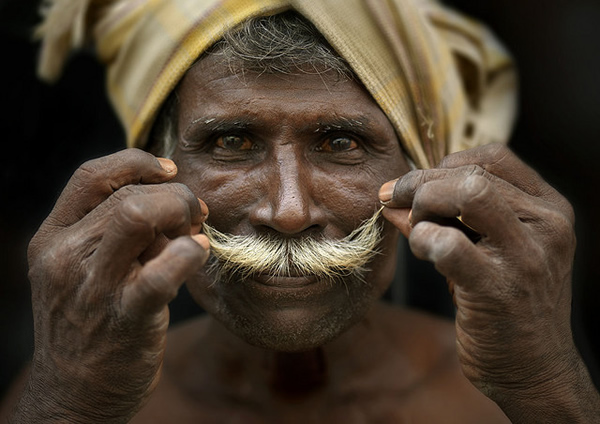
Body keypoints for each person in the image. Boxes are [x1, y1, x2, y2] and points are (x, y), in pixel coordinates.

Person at [3, 0, 600, 422]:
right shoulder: (85, 398)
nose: (289, 213)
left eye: (341, 143)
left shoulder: (508, 402)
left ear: (424, 174)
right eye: (231, 142)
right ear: (157, 172)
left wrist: (543, 390)